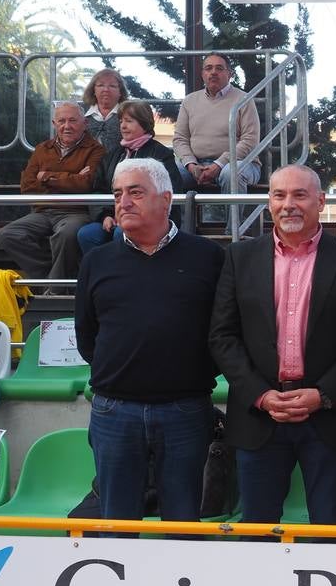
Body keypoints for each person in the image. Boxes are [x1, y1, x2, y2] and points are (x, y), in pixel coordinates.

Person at [209, 165, 336, 527]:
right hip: (258, 416)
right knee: (258, 528)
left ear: (319, 201)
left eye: (299, 195)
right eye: (279, 195)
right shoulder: (240, 257)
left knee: (329, 528)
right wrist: (261, 395)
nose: (289, 204)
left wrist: (324, 394)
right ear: (268, 202)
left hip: (328, 417)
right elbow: (223, 336)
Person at [75, 158, 225, 524]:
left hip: (185, 411)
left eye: (135, 192)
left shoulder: (209, 257)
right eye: (117, 194)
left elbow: (223, 331)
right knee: (116, 521)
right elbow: (87, 337)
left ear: (166, 199)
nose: (124, 202)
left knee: (182, 521)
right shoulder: (96, 261)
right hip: (114, 412)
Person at [0, 101, 104, 282]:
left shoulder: (96, 150)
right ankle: (49, 276)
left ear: (84, 123)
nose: (67, 126)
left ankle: (54, 290)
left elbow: (87, 184)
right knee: (7, 235)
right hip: (44, 211)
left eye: (73, 120)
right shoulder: (42, 149)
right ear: (54, 124)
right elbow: (27, 186)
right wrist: (71, 178)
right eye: (61, 121)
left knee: (67, 235)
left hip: (76, 212)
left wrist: (45, 176)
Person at [77, 100, 184, 255]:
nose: (123, 126)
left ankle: (125, 275)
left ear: (144, 123)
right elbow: (98, 189)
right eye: (121, 121)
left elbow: (169, 192)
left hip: (146, 217)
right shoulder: (113, 154)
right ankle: (103, 273)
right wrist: (105, 216)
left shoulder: (161, 155)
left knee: (122, 233)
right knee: (87, 235)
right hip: (114, 216)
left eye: (129, 121)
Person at [172, 53, 261, 222]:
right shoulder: (190, 101)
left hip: (240, 163)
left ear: (230, 74)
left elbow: (250, 140)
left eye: (219, 68)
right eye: (208, 68)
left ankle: (232, 232)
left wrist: (218, 164)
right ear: (202, 74)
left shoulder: (244, 99)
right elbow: (180, 139)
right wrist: (191, 164)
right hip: (196, 164)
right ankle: (179, 231)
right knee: (168, 172)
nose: (213, 72)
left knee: (231, 173)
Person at [83, 68, 129, 155]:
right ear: (93, 90)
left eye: (112, 86)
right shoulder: (80, 114)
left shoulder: (129, 114)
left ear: (120, 92)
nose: (106, 89)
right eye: (101, 85)